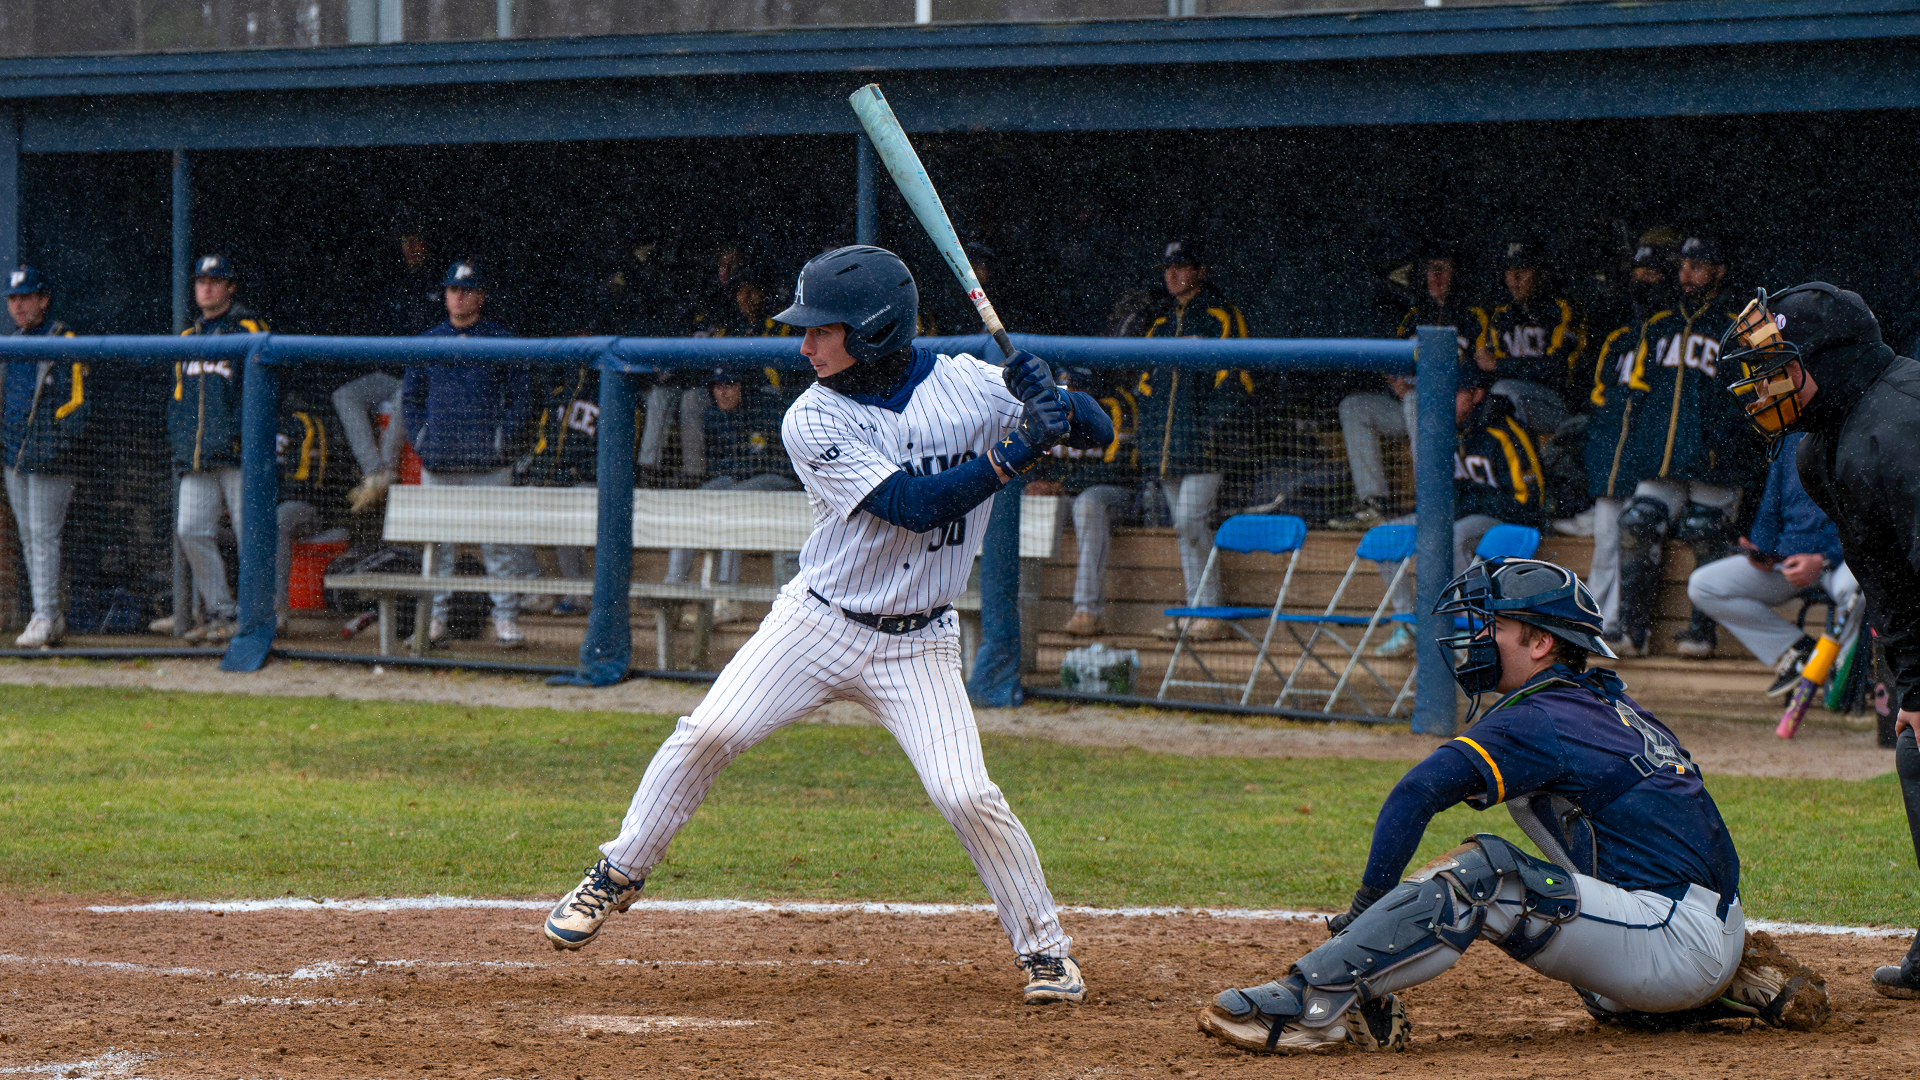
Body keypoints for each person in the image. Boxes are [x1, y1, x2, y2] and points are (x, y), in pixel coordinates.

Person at [543, 245, 1113, 1007]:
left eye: (822, 330)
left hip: (919, 643)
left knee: (966, 794)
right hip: (816, 625)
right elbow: (913, 507)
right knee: (709, 731)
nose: (804, 344)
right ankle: (618, 870)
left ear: (873, 331)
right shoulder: (811, 416)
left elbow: (1100, 433)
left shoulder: (970, 384)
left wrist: (1056, 397)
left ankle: (1045, 951)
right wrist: (1016, 449)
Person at [1198, 557, 1828, 1055]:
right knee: (1579, 946)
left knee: (1488, 876)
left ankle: (1309, 1005)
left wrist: (1362, 918)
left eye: (1493, 625)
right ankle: (1722, 990)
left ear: (1540, 642)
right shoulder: (1598, 700)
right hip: (1693, 926)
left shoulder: (1542, 715)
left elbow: (1415, 793)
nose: (1475, 636)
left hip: (1672, 939)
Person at [1716, 281, 1920, 998]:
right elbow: (1892, 583)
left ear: (1830, 361)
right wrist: (1914, 689)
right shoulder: (1822, 448)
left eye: (1779, 368)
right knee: (1915, 748)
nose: (1762, 387)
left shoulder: (1900, 426)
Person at [1583, 236, 1756, 656]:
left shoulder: (1736, 326)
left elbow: (1750, 399)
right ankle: (1631, 631)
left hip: (1714, 462)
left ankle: (1701, 633)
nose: (1686, 275)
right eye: (1682, 266)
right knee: (1636, 521)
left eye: (1697, 266)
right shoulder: (1660, 324)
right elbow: (1637, 395)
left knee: (1705, 529)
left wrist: (1723, 446)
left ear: (1719, 271)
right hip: (1663, 459)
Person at [399, 260, 539, 649]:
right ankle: (435, 621)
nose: (458, 297)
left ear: (481, 296)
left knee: (498, 545)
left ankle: (505, 620)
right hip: (441, 463)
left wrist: (501, 442)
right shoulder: (429, 340)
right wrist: (424, 442)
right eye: (452, 290)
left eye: (466, 290)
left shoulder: (501, 340)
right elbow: (410, 399)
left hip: (488, 464)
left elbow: (523, 399)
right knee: (438, 548)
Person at [1373, 364, 1546, 656]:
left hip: (1506, 520)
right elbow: (1438, 492)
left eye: (1455, 393)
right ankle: (1409, 623)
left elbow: (1529, 500)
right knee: (1386, 535)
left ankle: (1469, 626)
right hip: (1459, 515)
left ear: (1477, 394)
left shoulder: (1504, 431)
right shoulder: (1442, 431)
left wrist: (1467, 506)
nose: (1445, 400)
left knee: (1455, 535)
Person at [1133, 237, 1253, 641]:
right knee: (1184, 527)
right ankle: (1198, 611)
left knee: (1189, 520)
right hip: (1167, 450)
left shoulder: (1220, 316)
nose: (1172, 274)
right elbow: (1144, 388)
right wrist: (1151, 441)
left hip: (1206, 448)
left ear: (1200, 271)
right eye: (1169, 268)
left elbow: (1237, 380)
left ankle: (1210, 611)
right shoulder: (1160, 326)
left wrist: (1213, 429)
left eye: (1182, 266)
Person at [1330, 246, 1483, 531]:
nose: (1436, 276)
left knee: (1414, 400)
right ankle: (1374, 501)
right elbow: (1392, 366)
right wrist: (1396, 383)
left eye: (1443, 268)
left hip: (1452, 409)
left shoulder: (1472, 317)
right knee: (1354, 407)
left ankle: (1431, 500)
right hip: (1414, 409)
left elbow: (1484, 367)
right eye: (1431, 269)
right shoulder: (1412, 317)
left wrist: (1461, 391)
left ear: (1456, 274)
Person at [155, 254, 266, 643]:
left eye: (215, 281)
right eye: (201, 281)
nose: (206, 287)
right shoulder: (188, 337)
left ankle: (257, 614)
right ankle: (222, 611)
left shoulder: (248, 328)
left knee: (250, 534)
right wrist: (183, 443)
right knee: (190, 529)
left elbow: (260, 392)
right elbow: (177, 399)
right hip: (199, 457)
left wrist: (240, 437)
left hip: (237, 456)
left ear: (230, 288)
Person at [1685, 429, 1856, 679]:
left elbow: (1867, 522)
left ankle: (1846, 678)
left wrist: (1824, 558)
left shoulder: (1853, 432)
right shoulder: (1790, 437)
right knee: (1704, 585)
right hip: (1788, 560)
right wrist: (1761, 549)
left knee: (1853, 591)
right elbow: (1770, 507)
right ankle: (1801, 650)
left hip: (1842, 560)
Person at [661, 365, 801, 627]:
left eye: (728, 385)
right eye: (717, 386)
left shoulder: (768, 409)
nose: (721, 393)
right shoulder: (714, 415)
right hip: (738, 481)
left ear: (742, 387)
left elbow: (779, 463)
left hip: (778, 482)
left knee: (731, 502)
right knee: (694, 502)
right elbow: (719, 467)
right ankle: (673, 591)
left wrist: (737, 475)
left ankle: (726, 599)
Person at [3, 265, 82, 648]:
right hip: (15, 457)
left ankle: (45, 615)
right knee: (30, 537)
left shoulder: (63, 339)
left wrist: (53, 443)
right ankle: (50, 615)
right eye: (12, 299)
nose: (18, 306)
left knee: (43, 536)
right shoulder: (10, 343)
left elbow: (78, 403)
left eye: (26, 297)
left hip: (51, 460)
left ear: (43, 299)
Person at [1031, 365, 1137, 637]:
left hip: (1117, 496)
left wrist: (1062, 485)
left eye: (1074, 389)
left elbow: (1120, 469)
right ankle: (1027, 606)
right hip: (1068, 497)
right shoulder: (1047, 408)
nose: (1066, 394)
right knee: (1031, 502)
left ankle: (1087, 611)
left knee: (1087, 504)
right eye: (1062, 389)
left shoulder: (1114, 405)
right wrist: (1038, 482)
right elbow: (1035, 457)